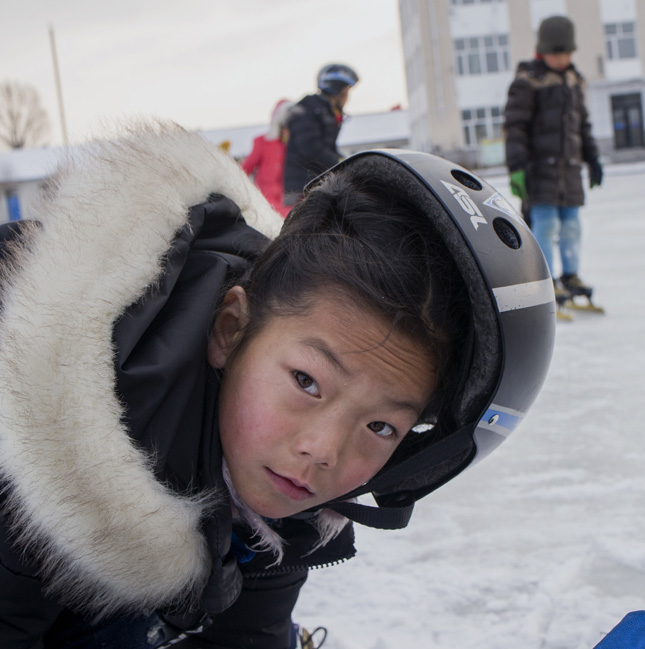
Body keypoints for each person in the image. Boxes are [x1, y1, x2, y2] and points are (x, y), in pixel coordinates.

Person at [0, 122, 557, 649]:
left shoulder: (275, 502)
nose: (324, 451)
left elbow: (249, 636)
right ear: (230, 329)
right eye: (307, 382)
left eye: (382, 426)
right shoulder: (41, 440)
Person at [503, 15, 603, 301]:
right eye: (555, 53)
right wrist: (517, 167)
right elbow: (515, 126)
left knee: (572, 225)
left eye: (566, 53)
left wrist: (593, 160)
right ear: (542, 50)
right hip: (539, 171)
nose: (561, 59)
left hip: (569, 171)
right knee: (545, 225)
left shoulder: (574, 81)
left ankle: (570, 275)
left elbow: (583, 126)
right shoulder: (528, 81)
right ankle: (545, 279)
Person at [283, 63, 358, 208]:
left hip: (315, 186)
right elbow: (310, 148)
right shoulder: (309, 110)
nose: (347, 98)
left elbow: (329, 148)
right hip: (300, 190)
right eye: (346, 92)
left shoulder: (327, 113)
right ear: (336, 90)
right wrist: (340, 163)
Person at [242, 99, 293, 217]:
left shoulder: (294, 146)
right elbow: (245, 168)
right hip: (265, 201)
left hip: (288, 201)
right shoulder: (262, 142)